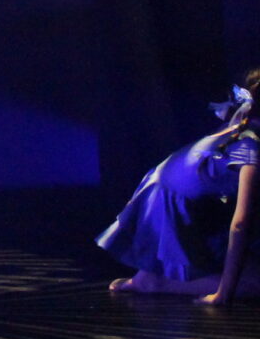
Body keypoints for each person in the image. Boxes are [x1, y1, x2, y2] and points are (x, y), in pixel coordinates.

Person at [103, 71, 260, 302]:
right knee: (255, 285)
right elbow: (240, 223)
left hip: (164, 195)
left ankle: (151, 273)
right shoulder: (252, 146)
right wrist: (223, 293)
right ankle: (154, 281)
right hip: (169, 208)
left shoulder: (240, 127)